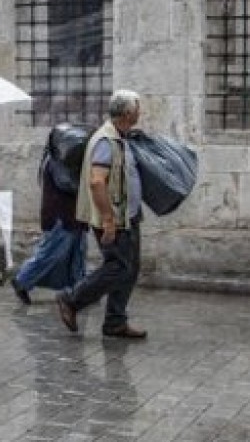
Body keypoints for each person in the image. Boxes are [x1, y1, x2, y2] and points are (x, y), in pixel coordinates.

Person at [55, 90, 147, 339]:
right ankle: (71, 300)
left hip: (128, 214)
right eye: (138, 109)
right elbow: (97, 182)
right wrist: (108, 220)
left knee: (130, 267)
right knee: (117, 266)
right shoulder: (106, 140)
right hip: (114, 217)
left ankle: (115, 321)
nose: (140, 113)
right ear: (128, 113)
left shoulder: (120, 137)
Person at [11, 126, 89, 304]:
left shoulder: (61, 161)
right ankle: (22, 280)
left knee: (77, 253)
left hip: (73, 215)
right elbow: (69, 185)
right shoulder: (56, 162)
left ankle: (79, 290)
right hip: (61, 216)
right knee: (51, 253)